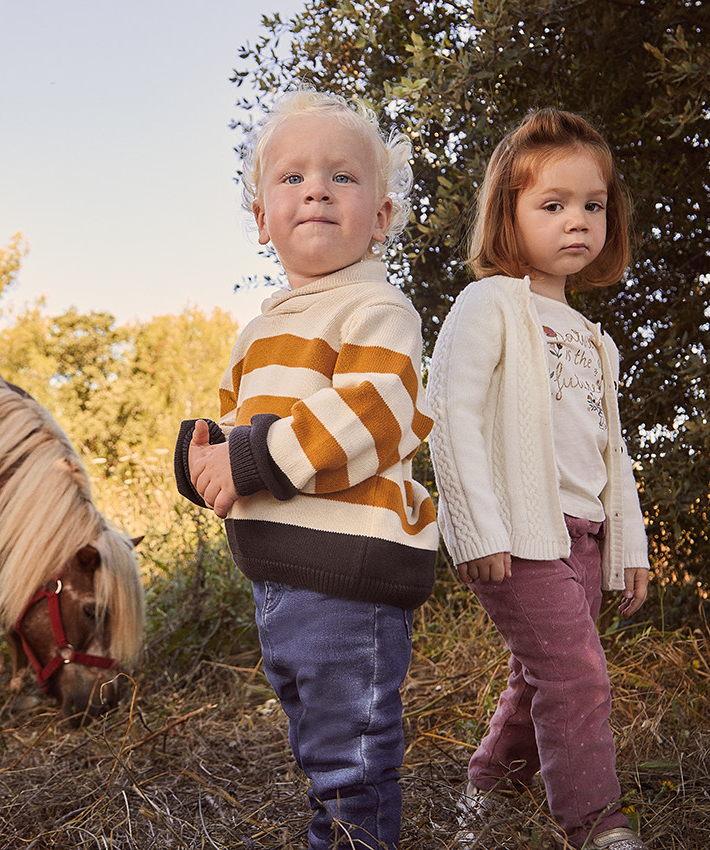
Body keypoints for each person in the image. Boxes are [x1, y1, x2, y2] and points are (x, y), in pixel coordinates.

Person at [174, 87, 439, 850]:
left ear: (381, 217)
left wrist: (250, 457)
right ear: (263, 220)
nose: (316, 187)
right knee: (317, 745)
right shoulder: (259, 330)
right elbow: (234, 422)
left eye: (342, 177)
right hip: (280, 586)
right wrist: (204, 457)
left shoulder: (376, 309)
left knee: (351, 760)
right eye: (291, 178)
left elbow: (373, 413)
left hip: (346, 581)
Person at [425, 107, 652, 850]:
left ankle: (486, 796)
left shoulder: (595, 339)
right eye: (552, 206)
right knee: (578, 676)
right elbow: (449, 415)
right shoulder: (489, 304)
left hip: (584, 539)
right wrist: (476, 529)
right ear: (508, 214)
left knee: (543, 676)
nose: (576, 221)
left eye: (592, 205)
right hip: (518, 538)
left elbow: (611, 455)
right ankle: (596, 825)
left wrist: (631, 547)